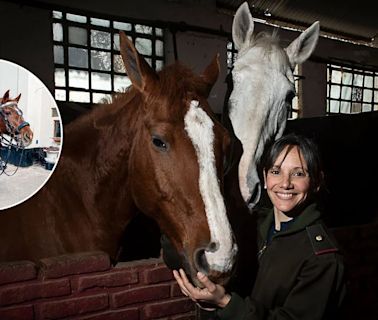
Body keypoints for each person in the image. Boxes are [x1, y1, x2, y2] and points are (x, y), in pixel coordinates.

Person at [172, 133, 346, 319]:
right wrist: (210, 298)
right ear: (264, 177)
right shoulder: (252, 226)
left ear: (317, 182)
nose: (285, 183)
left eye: (298, 173)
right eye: (276, 171)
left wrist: (225, 302)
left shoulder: (322, 258)